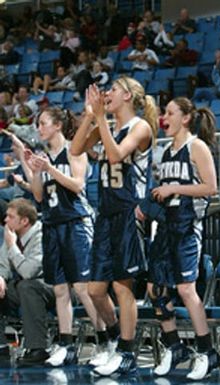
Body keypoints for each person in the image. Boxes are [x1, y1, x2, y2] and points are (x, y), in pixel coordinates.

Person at [70, 77, 158, 376]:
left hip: (127, 212)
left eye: (113, 90)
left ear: (129, 96)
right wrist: (89, 115)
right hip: (105, 214)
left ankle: (127, 352)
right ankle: (113, 341)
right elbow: (76, 148)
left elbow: (115, 154)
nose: (107, 94)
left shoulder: (140, 127)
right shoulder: (108, 126)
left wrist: (101, 121)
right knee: (95, 290)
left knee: (122, 286)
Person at [141, 97, 220, 380]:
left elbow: (211, 187)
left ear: (185, 118)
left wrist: (175, 187)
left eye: (170, 113)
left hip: (188, 227)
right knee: (156, 290)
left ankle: (208, 352)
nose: (164, 117)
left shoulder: (196, 146)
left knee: (186, 289)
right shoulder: (166, 151)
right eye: (164, 113)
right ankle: (175, 347)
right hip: (165, 226)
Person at [25, 107, 105, 367]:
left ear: (58, 125)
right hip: (52, 224)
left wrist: (50, 168)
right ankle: (67, 344)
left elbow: (78, 184)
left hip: (76, 222)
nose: (39, 128)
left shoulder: (74, 150)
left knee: (83, 288)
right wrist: (35, 169)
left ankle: (105, 341)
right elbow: (37, 196)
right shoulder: (44, 156)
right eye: (38, 124)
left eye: (43, 123)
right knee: (60, 289)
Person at [0, 198, 55, 367]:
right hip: (27, 288)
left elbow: (29, 272)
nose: (5, 220)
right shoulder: (12, 234)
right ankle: (1, 345)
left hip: (55, 288)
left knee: (27, 286)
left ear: (24, 221)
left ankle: (38, 348)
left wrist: (12, 246)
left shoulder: (42, 236)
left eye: (10, 216)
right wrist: (0, 277)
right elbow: (3, 265)